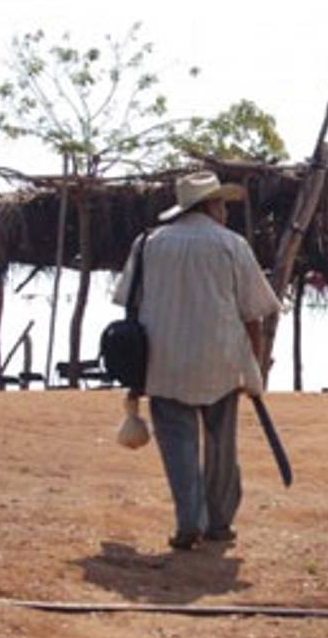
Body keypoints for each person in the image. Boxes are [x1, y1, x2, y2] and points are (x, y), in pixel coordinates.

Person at [114, 170, 280, 550]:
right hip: (220, 360)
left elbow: (131, 303)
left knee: (178, 445)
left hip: (164, 360)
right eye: (222, 203)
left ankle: (189, 521)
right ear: (211, 205)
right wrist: (253, 365)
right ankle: (219, 523)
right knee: (221, 445)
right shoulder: (232, 245)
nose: (225, 210)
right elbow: (252, 312)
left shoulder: (149, 244)